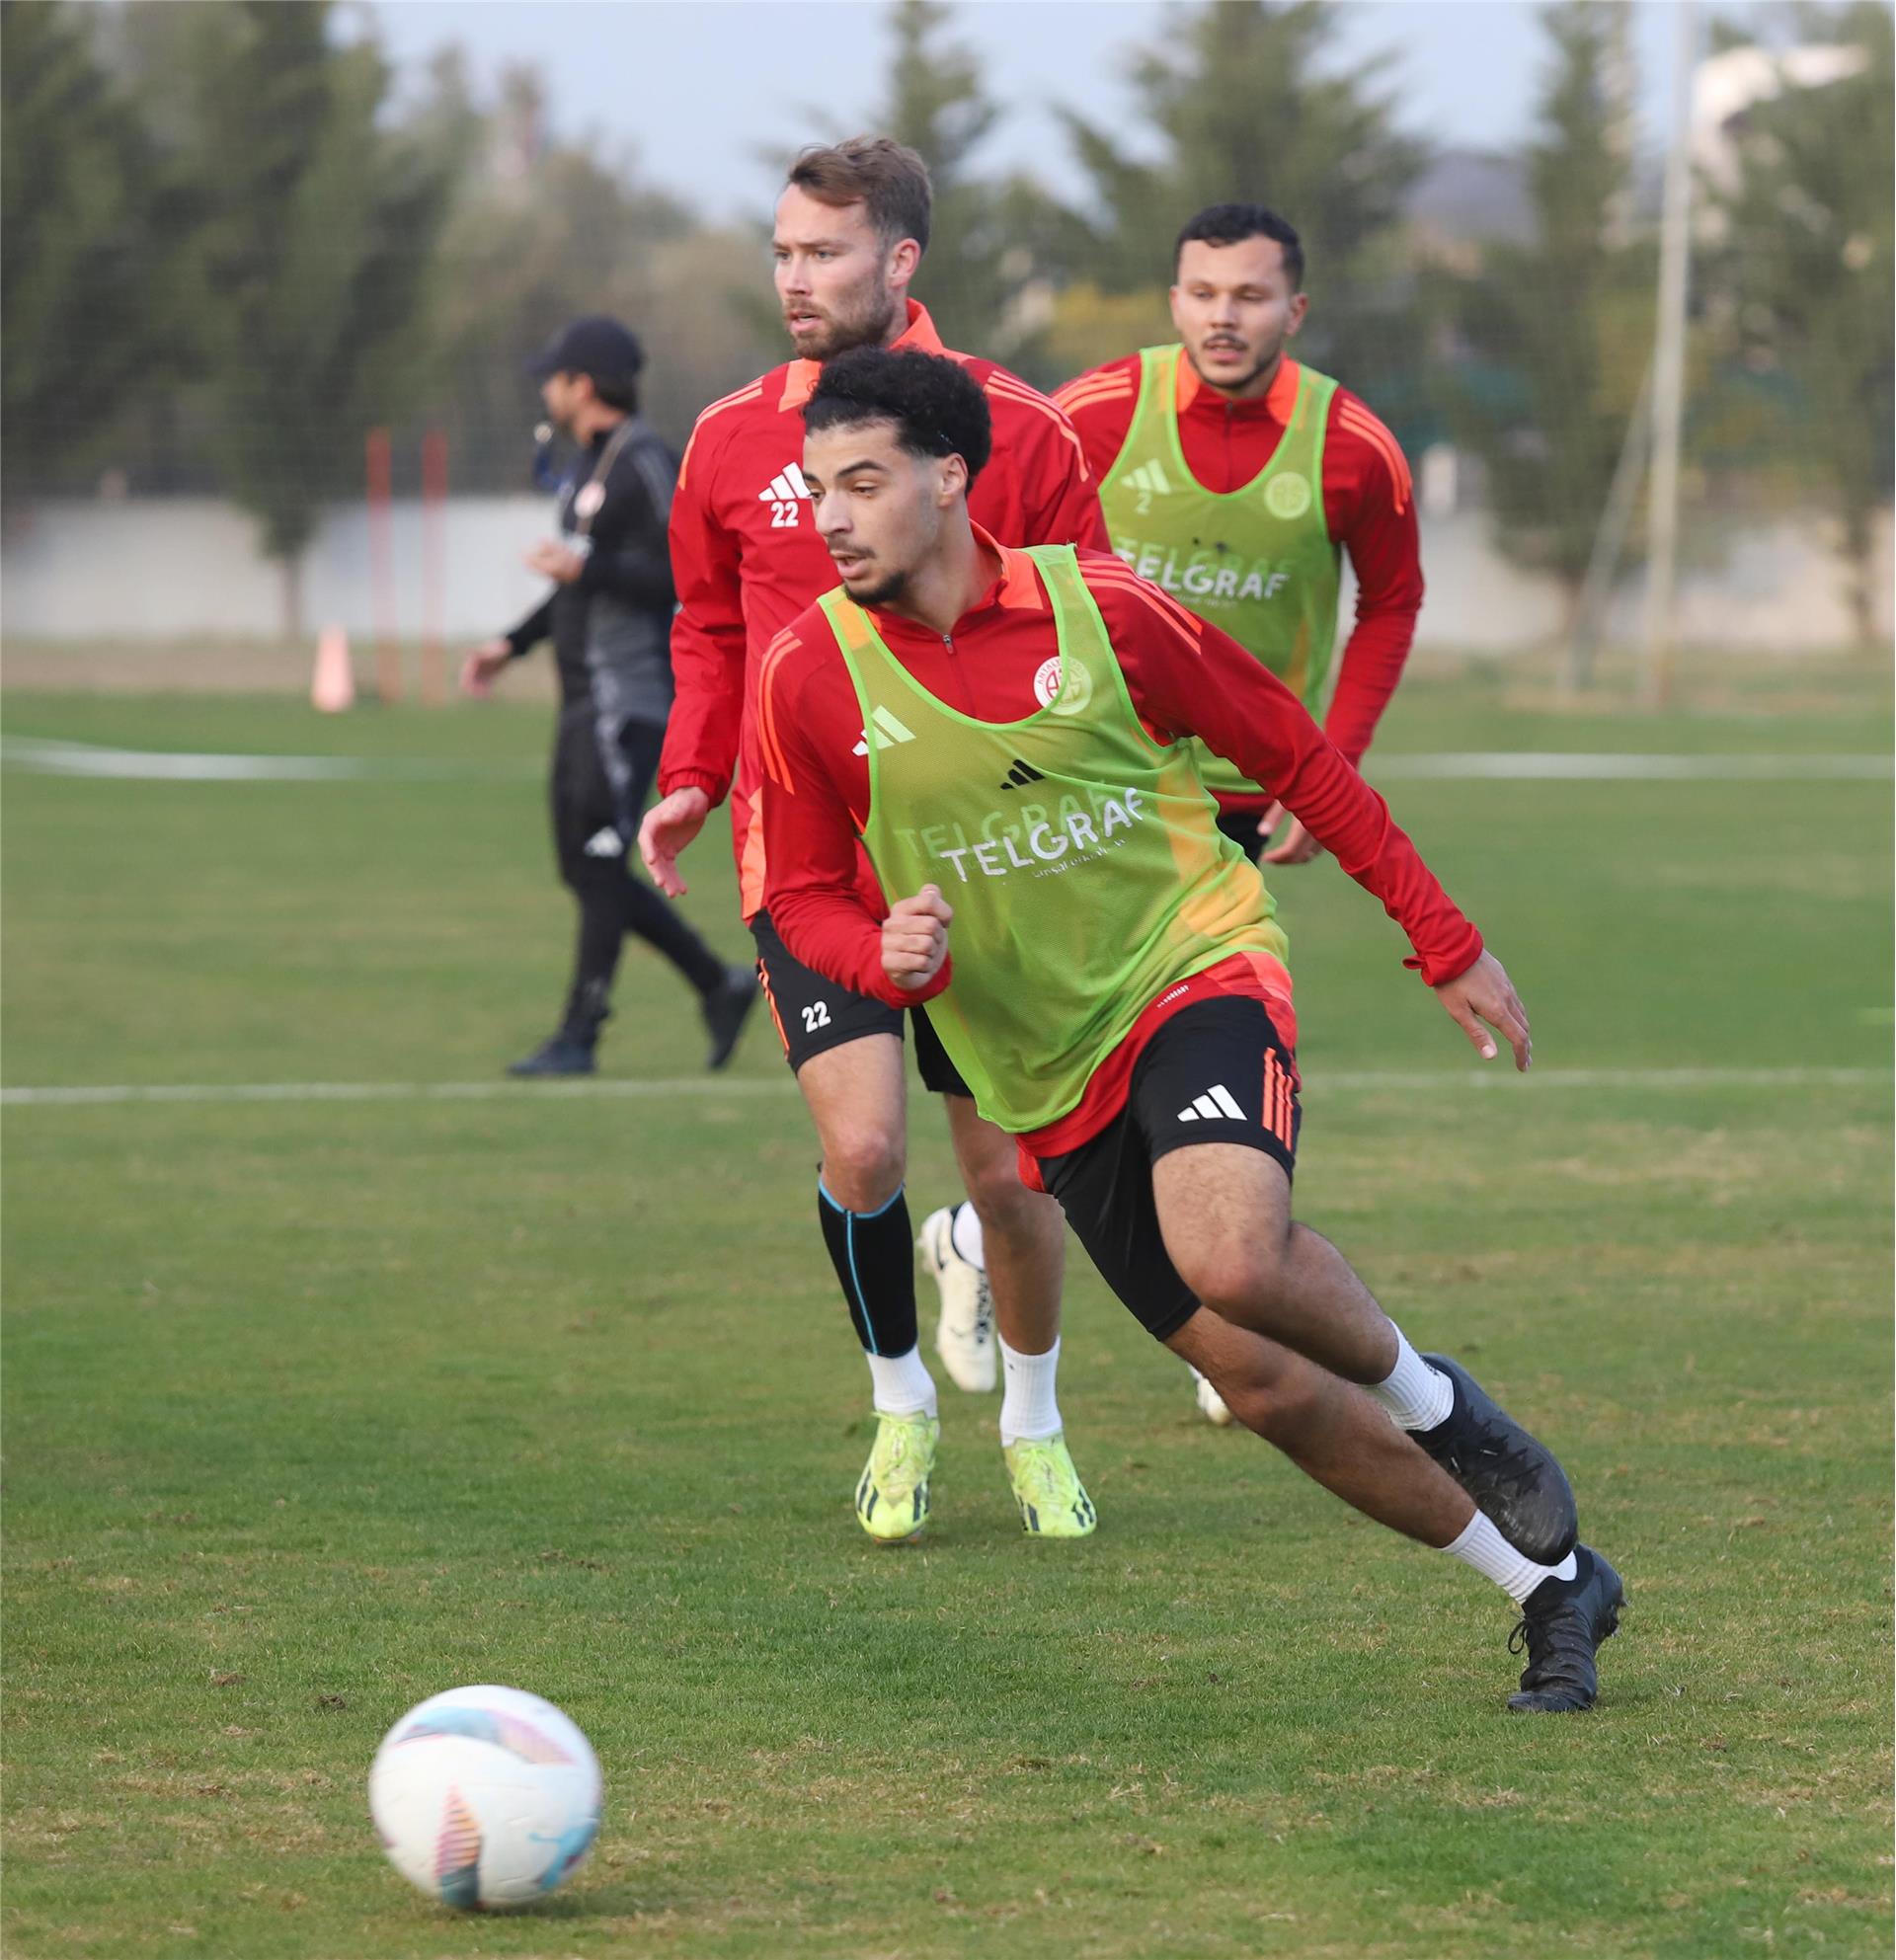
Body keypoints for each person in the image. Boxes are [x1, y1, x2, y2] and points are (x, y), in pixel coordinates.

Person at [757, 345, 1623, 1713]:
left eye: (863, 483)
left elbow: (1294, 755)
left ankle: (1445, 1408)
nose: (834, 517)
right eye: (819, 491)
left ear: (949, 477)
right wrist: (875, 953)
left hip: (1192, 962)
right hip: (1045, 1070)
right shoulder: (808, 669)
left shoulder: (1104, 612)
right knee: (1266, 1390)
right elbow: (796, 890)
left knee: (1231, 1251)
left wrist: (1444, 939)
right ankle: (1551, 1587)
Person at [639, 139, 1107, 1543]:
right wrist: (691, 773)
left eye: (824, 253)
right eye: (782, 251)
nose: (795, 277)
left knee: (1012, 1178)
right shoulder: (730, 438)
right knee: (863, 1150)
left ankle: (1033, 1420)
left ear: (900, 261)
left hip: (991, 859)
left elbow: (1093, 625)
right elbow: (707, 623)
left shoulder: (1018, 429)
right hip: (811, 858)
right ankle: (902, 1402)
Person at [1056, 201, 1426, 1426]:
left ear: (1295, 310)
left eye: (1251, 295)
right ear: (1173, 301)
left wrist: (1334, 768)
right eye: (1204, 293)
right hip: (1105, 790)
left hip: (1249, 797)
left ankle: (1227, 1291)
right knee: (1086, 1050)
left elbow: (1391, 602)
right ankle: (999, 1224)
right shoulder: (1093, 415)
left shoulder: (1353, 448)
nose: (1225, 316)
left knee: (1214, 1047)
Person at [462, 316, 757, 1077]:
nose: (546, 391)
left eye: (553, 378)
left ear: (582, 384)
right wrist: (511, 644)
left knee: (599, 863)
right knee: (583, 867)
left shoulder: (646, 461)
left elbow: (682, 575)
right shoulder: (588, 465)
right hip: (583, 704)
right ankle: (716, 982)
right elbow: (580, 583)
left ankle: (580, 1035)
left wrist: (583, 571)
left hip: (629, 701)